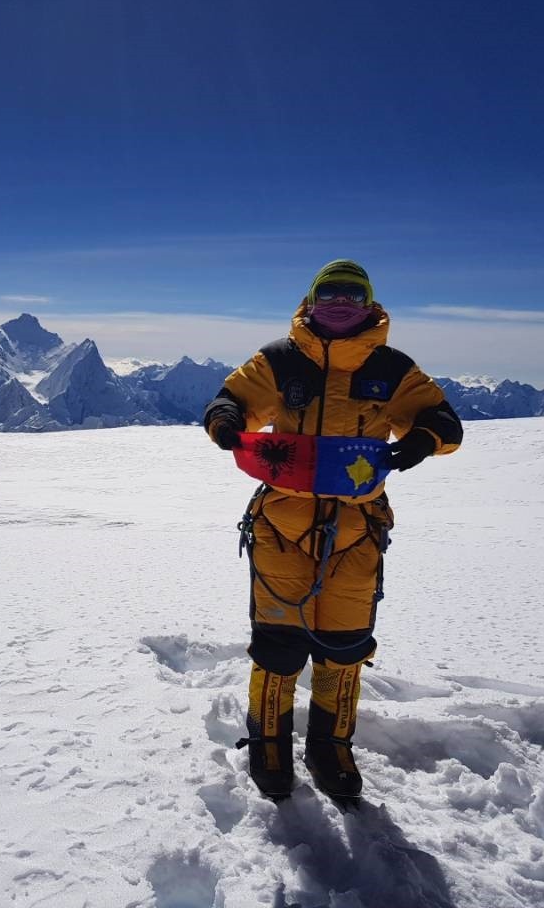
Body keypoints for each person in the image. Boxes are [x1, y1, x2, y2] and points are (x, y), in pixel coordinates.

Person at [203, 259, 462, 801]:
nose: (340, 304)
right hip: (283, 524)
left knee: (345, 647)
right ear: (311, 301)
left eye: (352, 295)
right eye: (330, 295)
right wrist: (226, 422)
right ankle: (268, 742)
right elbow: (234, 399)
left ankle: (331, 745)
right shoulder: (279, 361)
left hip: (356, 529)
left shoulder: (393, 370)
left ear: (370, 305)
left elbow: (442, 420)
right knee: (276, 645)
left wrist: (421, 440)